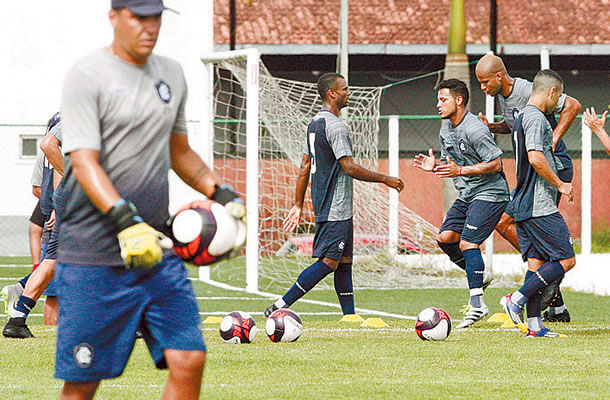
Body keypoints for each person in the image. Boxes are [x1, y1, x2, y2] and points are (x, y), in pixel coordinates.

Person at [54, 1, 244, 398]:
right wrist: (124, 220)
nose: (149, 26)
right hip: (93, 253)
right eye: (138, 17)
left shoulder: (171, 74)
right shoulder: (87, 74)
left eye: (155, 17)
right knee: (84, 380)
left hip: (156, 249)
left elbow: (180, 151)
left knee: (188, 358)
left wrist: (220, 193)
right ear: (114, 17)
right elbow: (83, 161)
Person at [264, 72, 404, 318]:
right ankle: (280, 305)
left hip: (329, 205)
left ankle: (349, 317)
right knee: (329, 262)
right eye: (344, 89)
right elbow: (348, 166)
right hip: (334, 206)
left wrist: (298, 204)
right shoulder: (336, 126)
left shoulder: (314, 123)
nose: (348, 93)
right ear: (332, 93)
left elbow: (305, 166)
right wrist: (385, 179)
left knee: (345, 262)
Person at [475, 54, 581, 323]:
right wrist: (492, 128)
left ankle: (533, 290)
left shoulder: (528, 91)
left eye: (485, 82)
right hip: (533, 176)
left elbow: (573, 105)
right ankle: (547, 307)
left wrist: (553, 142)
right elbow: (515, 128)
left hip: (550, 170)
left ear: (499, 76)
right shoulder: (507, 98)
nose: (482, 88)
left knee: (519, 226)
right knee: (516, 233)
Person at [414, 79, 509, 329]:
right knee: (445, 239)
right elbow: (451, 168)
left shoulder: (475, 129)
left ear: (458, 100)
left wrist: (462, 170)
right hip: (468, 194)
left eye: (442, 99)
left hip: (491, 192)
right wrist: (434, 167)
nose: (438, 105)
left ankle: (477, 304)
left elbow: (496, 164)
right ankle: (480, 274)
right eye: (438, 100)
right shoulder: (445, 130)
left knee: (468, 242)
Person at [500, 69, 576, 338]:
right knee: (566, 260)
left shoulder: (522, 117)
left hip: (523, 202)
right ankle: (516, 299)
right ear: (552, 92)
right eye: (557, 99)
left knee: (537, 263)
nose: (557, 105)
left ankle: (535, 326)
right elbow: (535, 158)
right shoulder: (536, 119)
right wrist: (560, 184)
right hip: (538, 204)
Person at [3, 114, 64, 338]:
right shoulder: (76, 122)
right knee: (55, 282)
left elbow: (42, 185)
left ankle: (19, 306)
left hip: (59, 208)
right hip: (70, 208)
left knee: (57, 265)